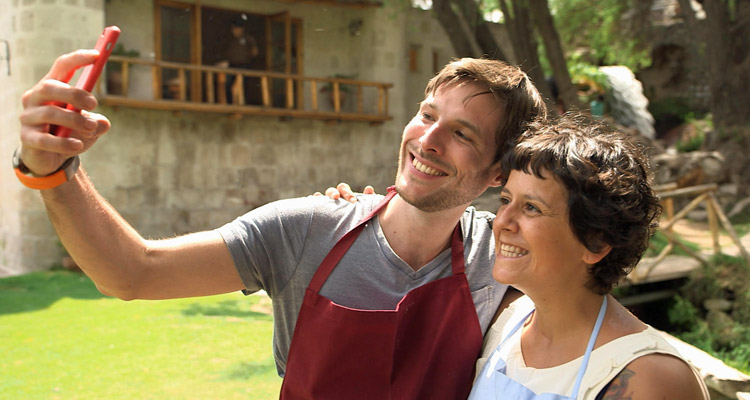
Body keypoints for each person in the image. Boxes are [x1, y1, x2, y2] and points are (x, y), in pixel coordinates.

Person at [15, 50, 546, 399]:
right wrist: (51, 169)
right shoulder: (305, 230)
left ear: (497, 172)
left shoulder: (501, 256)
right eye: (427, 115)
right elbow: (132, 273)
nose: (428, 140)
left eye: (462, 134)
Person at [469, 115, 709, 399]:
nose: (502, 222)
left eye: (532, 207)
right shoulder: (507, 323)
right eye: (506, 200)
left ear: (596, 242)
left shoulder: (652, 379)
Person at [216, 15, 260, 105]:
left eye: (237, 29)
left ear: (242, 29)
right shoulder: (229, 39)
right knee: (227, 83)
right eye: (234, 29)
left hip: (243, 65)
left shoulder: (248, 39)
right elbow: (223, 52)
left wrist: (246, 56)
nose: (235, 31)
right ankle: (229, 103)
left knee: (240, 85)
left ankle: (240, 103)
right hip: (231, 65)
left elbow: (255, 52)